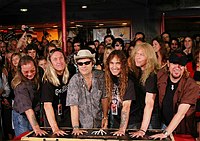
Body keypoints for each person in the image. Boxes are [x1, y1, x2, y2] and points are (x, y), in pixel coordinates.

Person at [150, 51, 199, 140]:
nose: (177, 67)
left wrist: (166, 133)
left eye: (181, 64)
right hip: (164, 125)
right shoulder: (161, 76)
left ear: (185, 67)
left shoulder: (191, 85)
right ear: (168, 64)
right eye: (174, 63)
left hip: (183, 132)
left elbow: (181, 113)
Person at [66, 49, 108, 135]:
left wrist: (105, 117)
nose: (83, 66)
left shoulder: (100, 76)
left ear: (92, 63)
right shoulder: (74, 80)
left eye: (87, 62)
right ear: (77, 66)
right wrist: (76, 127)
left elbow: (104, 98)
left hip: (100, 124)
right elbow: (73, 106)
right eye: (80, 63)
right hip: (82, 126)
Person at [129, 43, 161, 138]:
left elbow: (150, 104)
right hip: (143, 114)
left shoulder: (151, 75)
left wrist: (142, 130)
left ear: (149, 57)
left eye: (141, 55)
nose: (137, 57)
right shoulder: (140, 71)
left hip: (152, 116)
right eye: (136, 54)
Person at [11, 55, 47, 136]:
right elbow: (28, 110)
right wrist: (36, 128)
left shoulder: (40, 72)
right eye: (26, 72)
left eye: (32, 70)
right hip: (22, 116)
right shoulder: (20, 87)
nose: (30, 74)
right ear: (20, 71)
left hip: (36, 111)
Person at [105, 50, 136, 136]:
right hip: (116, 118)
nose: (114, 67)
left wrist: (122, 129)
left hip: (132, 122)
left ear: (123, 64)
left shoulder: (129, 80)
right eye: (111, 63)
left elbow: (126, 107)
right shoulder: (109, 77)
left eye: (118, 63)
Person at [41, 48, 71, 136]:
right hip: (53, 115)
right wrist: (55, 128)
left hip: (67, 113)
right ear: (50, 63)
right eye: (55, 59)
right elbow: (47, 105)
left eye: (61, 58)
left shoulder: (70, 72)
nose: (59, 61)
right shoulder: (47, 80)